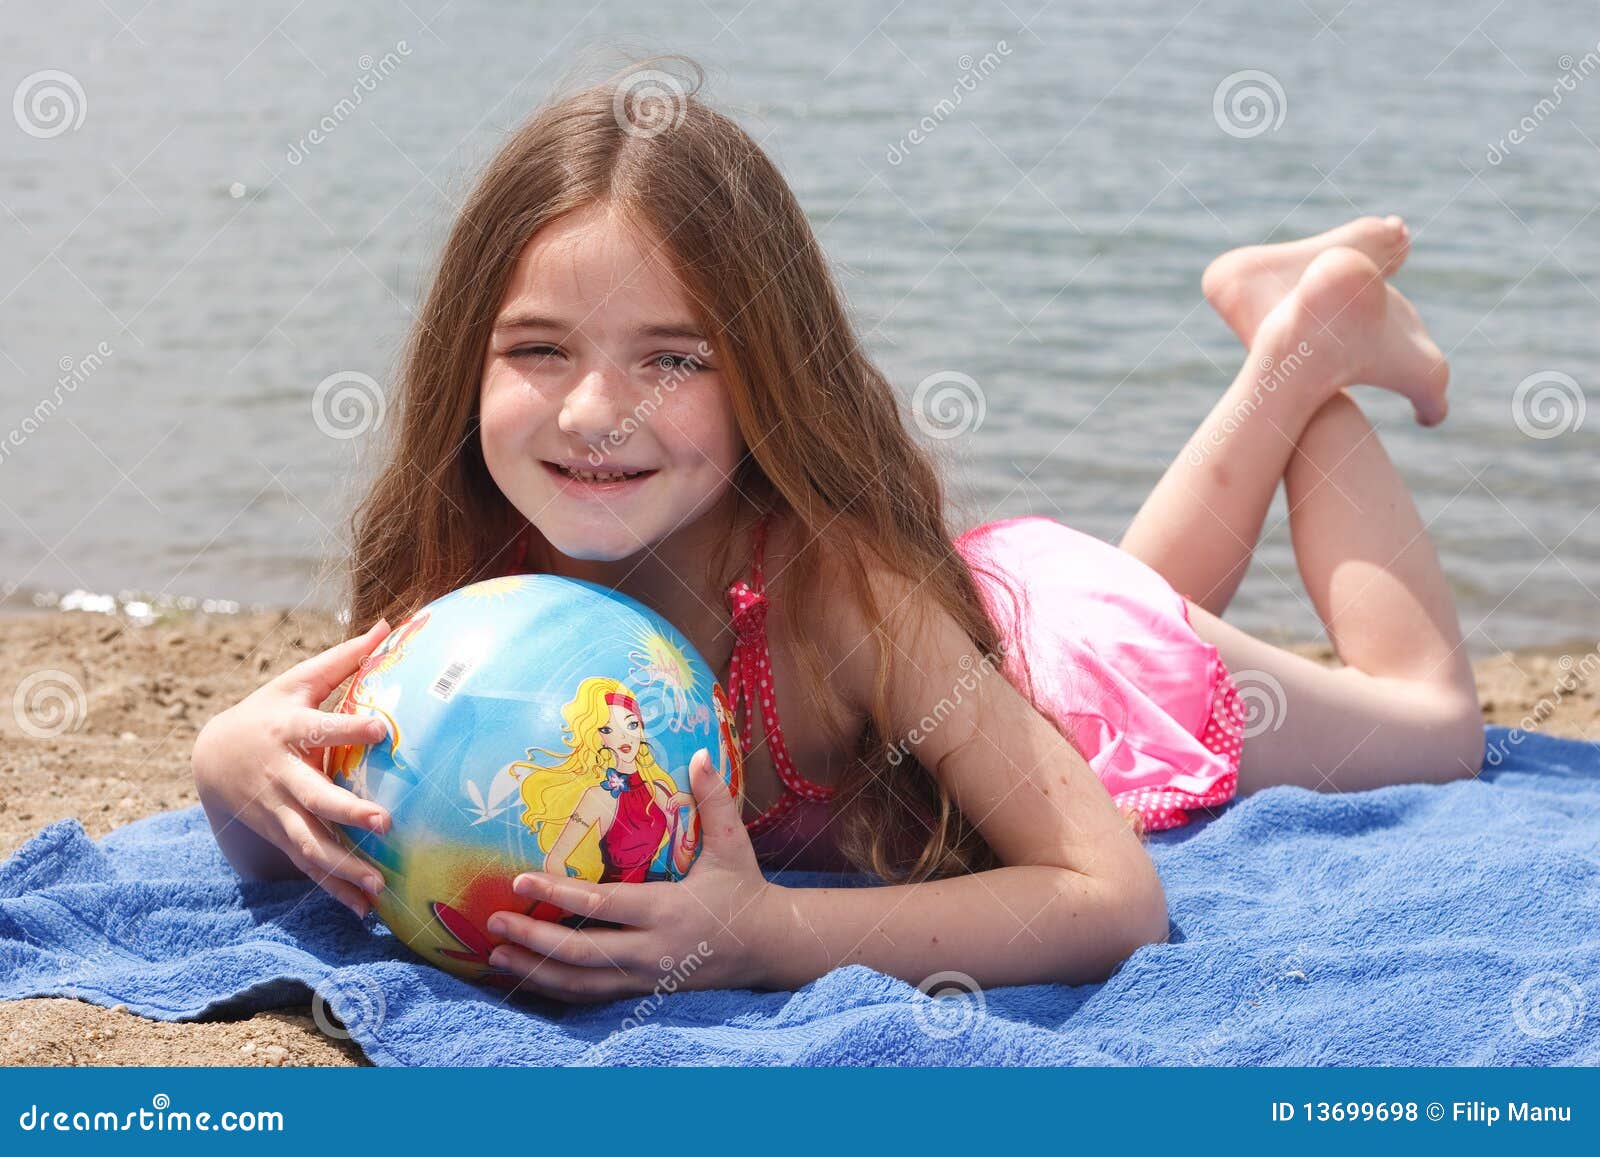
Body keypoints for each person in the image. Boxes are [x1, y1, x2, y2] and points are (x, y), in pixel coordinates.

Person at [193, 57, 1484, 1000]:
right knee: (1136, 592)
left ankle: (1315, 350)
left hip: (1066, 660)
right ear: (458, 368)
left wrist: (767, 937)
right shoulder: (482, 590)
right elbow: (328, 794)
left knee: (1429, 729)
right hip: (1005, 639)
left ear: (773, 370)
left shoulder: (848, 600)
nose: (595, 411)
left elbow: (1115, 898)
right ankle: (1282, 328)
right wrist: (232, 767)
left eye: (674, 358)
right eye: (537, 348)